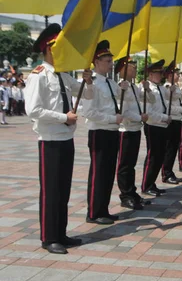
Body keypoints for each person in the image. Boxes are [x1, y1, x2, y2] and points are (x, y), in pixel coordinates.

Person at [24, 23, 93, 254]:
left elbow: (86, 93)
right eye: (58, 47)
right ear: (48, 49)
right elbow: (32, 110)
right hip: (50, 140)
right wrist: (63, 116)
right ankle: (48, 237)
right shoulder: (39, 76)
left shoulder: (63, 75)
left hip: (66, 139)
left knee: (63, 189)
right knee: (51, 190)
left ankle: (61, 233)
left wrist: (88, 80)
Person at [82, 40, 126, 225]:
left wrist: (125, 88)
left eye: (111, 60)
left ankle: (103, 209)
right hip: (99, 132)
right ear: (96, 62)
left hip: (111, 132)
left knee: (108, 174)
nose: (111, 64)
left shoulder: (110, 82)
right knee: (98, 173)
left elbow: (122, 99)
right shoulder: (91, 83)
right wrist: (111, 119)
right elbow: (89, 112)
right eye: (107, 61)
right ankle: (93, 212)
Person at [114, 57, 154, 210]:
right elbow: (123, 111)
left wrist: (148, 89)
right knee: (125, 165)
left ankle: (132, 192)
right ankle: (125, 195)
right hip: (126, 130)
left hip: (136, 128)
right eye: (131, 66)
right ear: (122, 69)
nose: (135, 69)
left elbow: (151, 100)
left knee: (131, 164)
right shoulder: (121, 87)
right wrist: (139, 117)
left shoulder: (135, 87)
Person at [141, 60, 172, 196]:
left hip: (162, 127)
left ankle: (151, 183)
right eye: (158, 73)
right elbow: (149, 113)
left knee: (159, 157)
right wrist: (164, 117)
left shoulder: (160, 88)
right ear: (151, 74)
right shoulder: (146, 90)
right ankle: (146, 185)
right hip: (153, 126)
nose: (161, 75)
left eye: (161, 73)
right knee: (153, 156)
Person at [161, 61, 182, 185]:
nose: (178, 75)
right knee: (169, 149)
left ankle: (169, 171)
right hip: (171, 120)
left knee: (174, 147)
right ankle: (166, 173)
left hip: (177, 120)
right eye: (176, 73)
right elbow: (167, 107)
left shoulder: (176, 87)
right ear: (169, 75)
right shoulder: (167, 88)